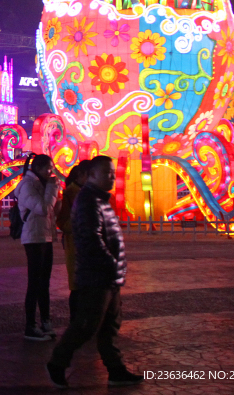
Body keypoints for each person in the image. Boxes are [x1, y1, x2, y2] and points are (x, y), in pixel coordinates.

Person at [46, 156, 142, 388]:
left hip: (107, 274)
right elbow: (91, 239)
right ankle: (58, 362)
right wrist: (111, 263)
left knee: (110, 325)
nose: (112, 177)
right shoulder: (88, 200)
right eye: (107, 173)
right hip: (96, 274)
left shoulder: (99, 199)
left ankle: (115, 369)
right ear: (92, 175)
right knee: (87, 325)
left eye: (113, 173)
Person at [15, 154, 60, 340]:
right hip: (33, 238)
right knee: (34, 282)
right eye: (49, 168)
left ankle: (45, 321)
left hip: (45, 236)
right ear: (39, 168)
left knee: (44, 282)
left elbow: (50, 210)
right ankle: (30, 325)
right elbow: (43, 208)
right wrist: (52, 188)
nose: (51, 172)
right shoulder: (28, 185)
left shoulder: (41, 184)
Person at [56, 162, 86, 320]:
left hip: (90, 247)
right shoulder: (69, 193)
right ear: (81, 175)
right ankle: (76, 321)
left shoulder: (92, 193)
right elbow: (62, 222)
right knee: (77, 286)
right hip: (76, 245)